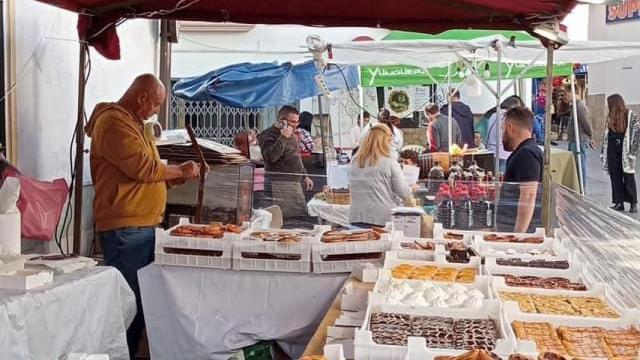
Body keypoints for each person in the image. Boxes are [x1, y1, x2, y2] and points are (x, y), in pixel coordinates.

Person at [86, 74, 203, 357]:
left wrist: (173, 178)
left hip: (141, 228)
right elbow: (143, 168)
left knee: (140, 304)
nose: (156, 111)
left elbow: (149, 170)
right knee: (128, 306)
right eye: (156, 104)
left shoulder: (134, 123)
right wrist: (181, 171)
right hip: (126, 230)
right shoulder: (114, 122)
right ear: (141, 97)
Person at [350, 123, 413, 227]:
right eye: (389, 141)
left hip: (357, 216)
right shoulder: (390, 162)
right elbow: (403, 191)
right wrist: (412, 188)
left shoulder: (355, 161)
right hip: (382, 218)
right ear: (384, 141)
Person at [259, 106, 314, 218]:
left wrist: (305, 176)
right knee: (284, 218)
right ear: (282, 120)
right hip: (279, 183)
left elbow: (295, 156)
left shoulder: (292, 134)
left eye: (297, 121)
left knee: (299, 216)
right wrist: (283, 137)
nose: (296, 125)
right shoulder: (267, 135)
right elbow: (270, 157)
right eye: (293, 122)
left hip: (294, 182)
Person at [497, 106, 543, 233]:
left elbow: (528, 195)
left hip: (524, 233)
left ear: (511, 128)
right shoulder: (527, 151)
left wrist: (518, 236)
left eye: (503, 129)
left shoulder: (526, 154)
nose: (502, 135)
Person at [602, 94, 640, 213]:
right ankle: (619, 202)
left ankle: (633, 203)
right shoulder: (610, 117)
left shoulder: (630, 115)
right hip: (612, 148)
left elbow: (636, 133)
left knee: (628, 176)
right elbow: (606, 135)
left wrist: (633, 151)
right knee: (615, 176)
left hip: (625, 149)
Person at [563, 83, 593, 192]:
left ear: (572, 92)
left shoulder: (580, 106)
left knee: (580, 165)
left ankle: (581, 188)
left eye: (566, 93)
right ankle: (578, 187)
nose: (565, 96)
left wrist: (590, 136)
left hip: (579, 140)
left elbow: (586, 123)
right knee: (576, 165)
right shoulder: (575, 106)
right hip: (574, 140)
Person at [486, 95, 525, 174]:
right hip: (504, 155)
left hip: (491, 153)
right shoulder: (507, 116)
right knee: (503, 181)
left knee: (494, 180)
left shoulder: (493, 115)